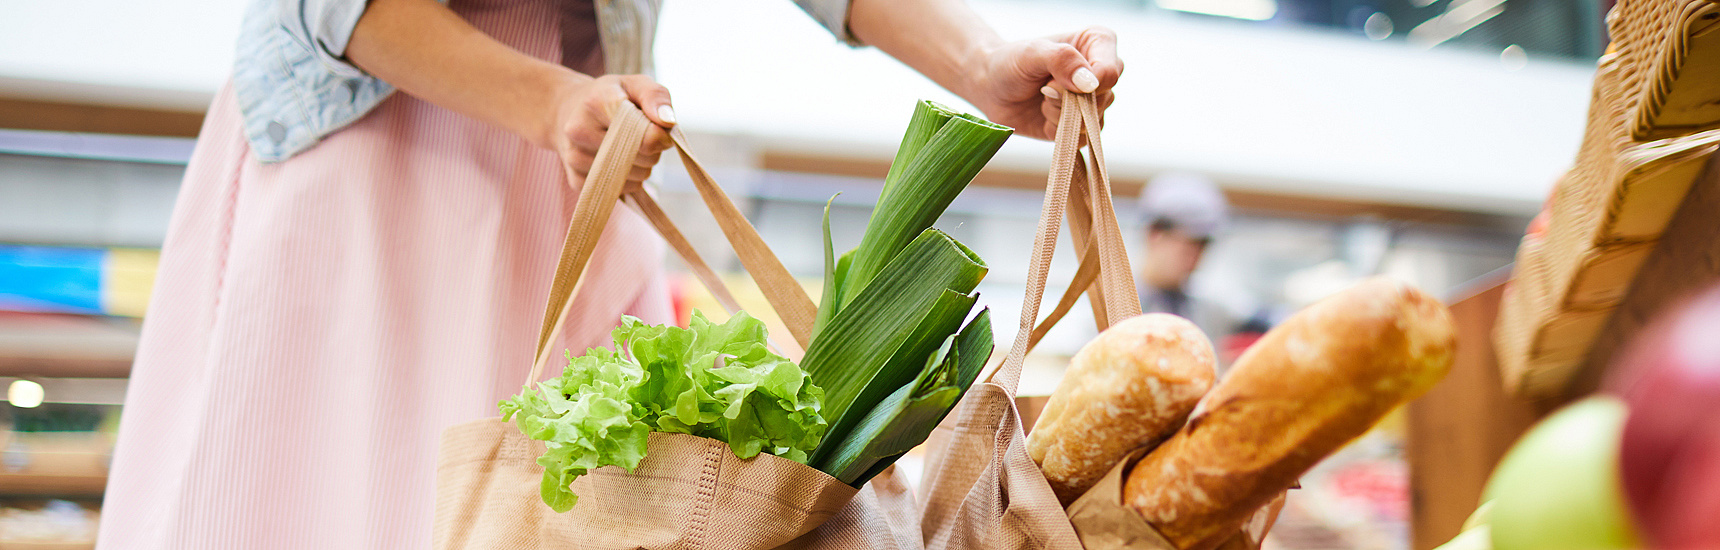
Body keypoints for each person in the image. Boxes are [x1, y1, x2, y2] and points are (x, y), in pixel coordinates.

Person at [95, 0, 1122, 547]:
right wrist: (547, 104)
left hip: (583, 147)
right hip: (383, 139)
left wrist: (984, 61)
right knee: (349, 497)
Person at [1136, 172, 1236, 347]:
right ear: (1154, 234)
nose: (1196, 256)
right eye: (1189, 244)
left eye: (1203, 246)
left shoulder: (1207, 307)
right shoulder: (1112, 305)